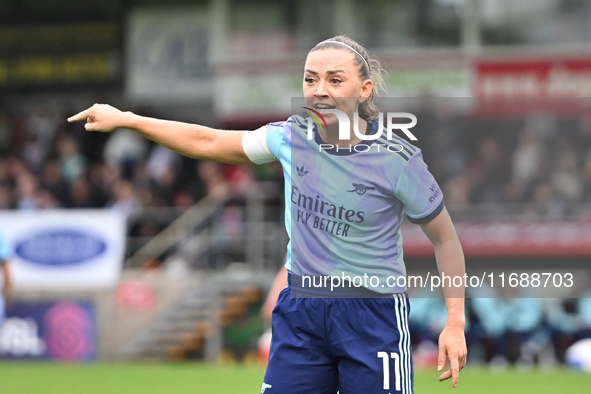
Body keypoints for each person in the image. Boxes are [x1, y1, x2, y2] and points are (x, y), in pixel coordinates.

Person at [69, 35, 466, 393]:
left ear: (365, 90)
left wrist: (455, 322)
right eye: (310, 80)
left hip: (371, 313)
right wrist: (129, 120)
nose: (319, 91)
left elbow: (445, 239)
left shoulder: (397, 158)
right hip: (301, 311)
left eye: (334, 80)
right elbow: (207, 142)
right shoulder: (290, 137)